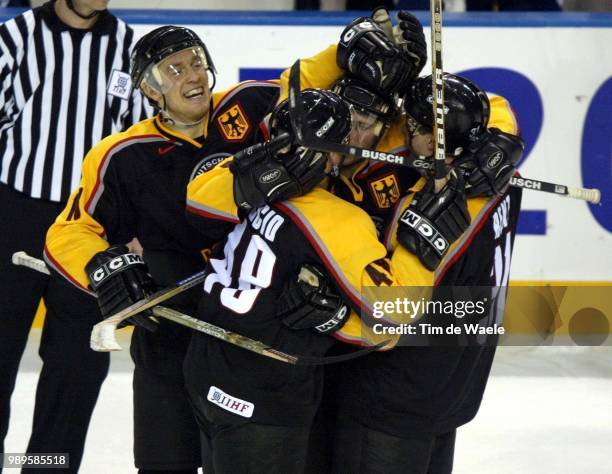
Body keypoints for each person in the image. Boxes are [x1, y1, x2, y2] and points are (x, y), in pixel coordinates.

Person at [182, 87, 471, 474]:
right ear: (333, 152)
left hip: (206, 373)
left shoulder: (248, 186)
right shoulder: (337, 219)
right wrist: (423, 242)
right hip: (264, 398)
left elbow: (196, 200)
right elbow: (396, 311)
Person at [44, 25, 281, 472]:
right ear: (150, 89)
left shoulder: (251, 110)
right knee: (164, 463)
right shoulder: (123, 154)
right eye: (173, 69)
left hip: (251, 336)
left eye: (196, 62)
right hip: (170, 336)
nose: (191, 75)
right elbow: (71, 231)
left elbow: (310, 81)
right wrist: (101, 265)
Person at [328, 73, 524, 474]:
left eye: (413, 127)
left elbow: (389, 308)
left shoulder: (428, 209)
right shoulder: (504, 176)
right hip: (456, 381)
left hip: (395, 394)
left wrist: (331, 316)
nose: (403, 134)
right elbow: (495, 108)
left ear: (432, 138)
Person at [0, 0, 150, 469]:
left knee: (76, 368)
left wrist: (137, 225)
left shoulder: (130, 49)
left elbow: (142, 141)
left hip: (92, 226)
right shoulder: (13, 39)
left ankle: (48, 467)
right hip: (13, 215)